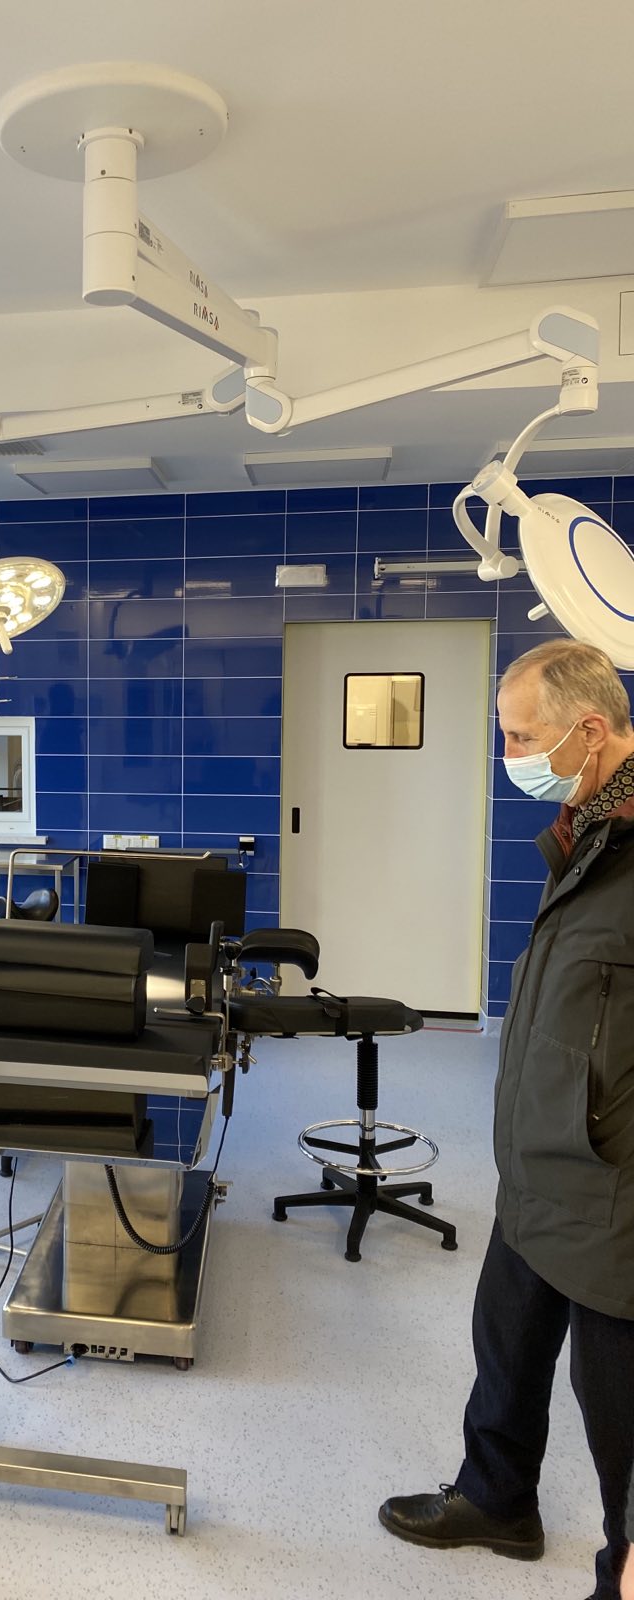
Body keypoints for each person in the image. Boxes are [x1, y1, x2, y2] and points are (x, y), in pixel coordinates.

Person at [379, 639, 634, 1600]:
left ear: (590, 730)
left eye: (522, 738)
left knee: (619, 1411)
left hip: (613, 1189)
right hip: (538, 1160)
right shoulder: (588, 827)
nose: (510, 755)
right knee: (508, 1351)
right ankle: (496, 1500)